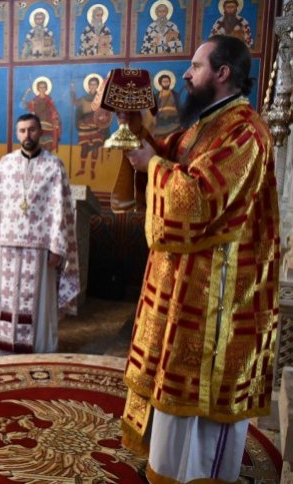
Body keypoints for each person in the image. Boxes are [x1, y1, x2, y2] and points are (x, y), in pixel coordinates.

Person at [122, 36, 279, 483]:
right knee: (172, 404)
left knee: (202, 412)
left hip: (218, 301)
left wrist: (152, 166)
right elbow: (172, 154)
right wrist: (134, 129)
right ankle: (166, 471)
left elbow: (199, 198)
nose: (187, 75)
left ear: (223, 72)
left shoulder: (246, 131)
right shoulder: (206, 125)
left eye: (195, 66)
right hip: (184, 288)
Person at [0, 114, 79, 354]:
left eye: (31, 130)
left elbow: (60, 208)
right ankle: (5, 344)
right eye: (21, 130)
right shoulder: (5, 164)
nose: (26, 135)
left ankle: (39, 346)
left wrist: (56, 246)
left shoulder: (54, 165)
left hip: (40, 246)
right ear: (16, 133)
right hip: (7, 245)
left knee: (38, 301)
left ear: (40, 132)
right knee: (6, 297)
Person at [71, 75, 112, 179]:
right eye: (91, 84)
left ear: (98, 86)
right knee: (84, 149)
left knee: (96, 148)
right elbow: (76, 107)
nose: (93, 86)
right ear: (88, 86)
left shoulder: (100, 100)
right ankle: (82, 169)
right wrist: (72, 92)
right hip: (85, 128)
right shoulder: (83, 99)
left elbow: (106, 114)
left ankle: (92, 170)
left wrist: (103, 123)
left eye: (95, 84)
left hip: (96, 127)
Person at [21, 78, 61, 152]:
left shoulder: (49, 100)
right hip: (37, 128)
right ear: (38, 88)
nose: (42, 89)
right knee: (37, 151)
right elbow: (22, 105)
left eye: (44, 87)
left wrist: (56, 120)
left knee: (48, 151)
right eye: (40, 87)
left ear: (46, 88)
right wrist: (26, 94)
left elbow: (54, 112)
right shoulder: (34, 101)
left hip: (48, 128)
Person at [149, 73, 181, 138]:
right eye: (164, 81)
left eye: (167, 81)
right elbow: (154, 111)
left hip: (174, 122)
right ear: (160, 83)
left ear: (170, 82)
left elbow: (180, 108)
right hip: (160, 123)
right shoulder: (157, 96)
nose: (166, 83)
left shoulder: (175, 95)